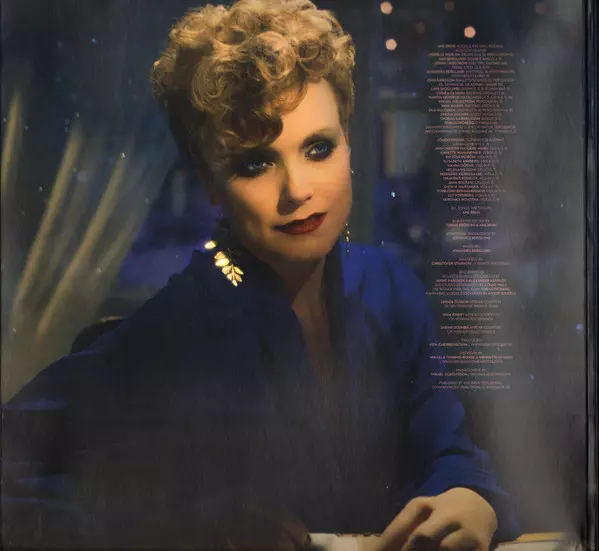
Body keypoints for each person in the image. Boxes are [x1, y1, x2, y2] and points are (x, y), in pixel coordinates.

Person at [2, 1, 521, 549]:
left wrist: (473, 496)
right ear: (210, 184)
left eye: (318, 148)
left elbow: (449, 450)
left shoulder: (390, 288)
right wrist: (171, 521)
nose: (296, 190)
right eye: (255, 164)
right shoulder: (176, 329)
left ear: (348, 141)